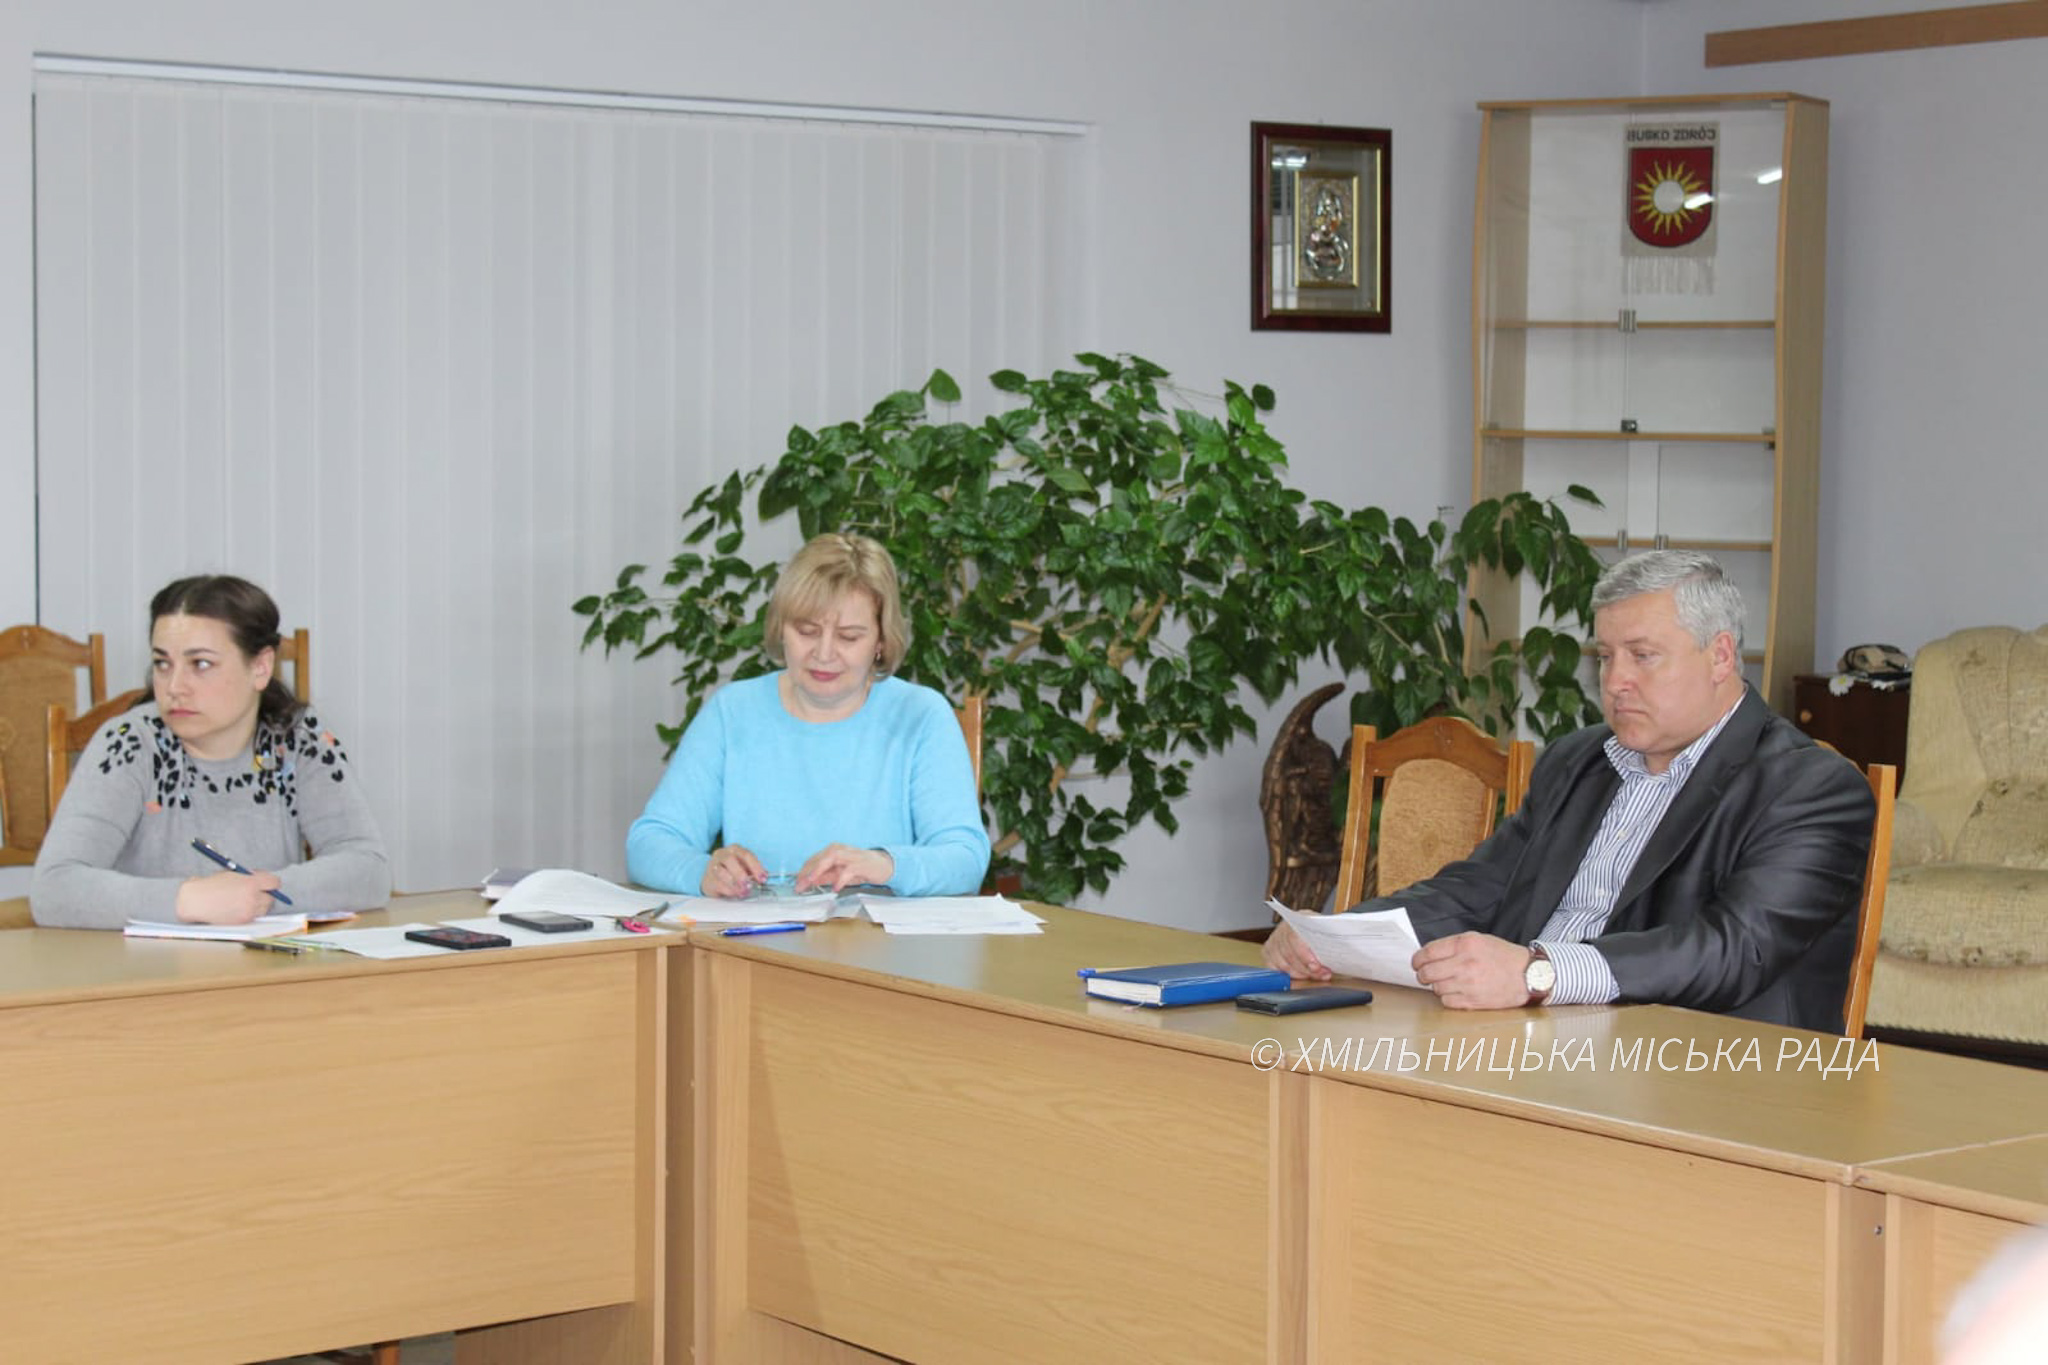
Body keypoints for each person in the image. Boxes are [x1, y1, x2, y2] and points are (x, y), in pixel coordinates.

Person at [1264, 549, 1876, 1033]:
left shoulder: (1810, 788)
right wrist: (1337, 935)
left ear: (1719, 657)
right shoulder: (1578, 760)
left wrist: (1539, 974)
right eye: (1605, 657)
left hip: (1704, 1066)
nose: (1616, 681)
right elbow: (1477, 888)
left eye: (1642, 656)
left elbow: (1733, 950)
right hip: (1536, 1036)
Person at [626, 531, 990, 898]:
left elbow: (965, 858)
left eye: (849, 637)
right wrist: (702, 872)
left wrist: (884, 865)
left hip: (878, 936)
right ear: (781, 628)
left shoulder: (920, 716)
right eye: (806, 631)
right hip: (754, 933)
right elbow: (650, 842)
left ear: (881, 642)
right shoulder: (733, 712)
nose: (824, 653)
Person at [31, 575, 391, 929]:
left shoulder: (297, 738)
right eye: (162, 663)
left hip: (266, 959)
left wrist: (258, 895)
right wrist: (186, 900)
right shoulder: (128, 742)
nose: (174, 687)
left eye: (200, 664)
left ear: (261, 667)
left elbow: (369, 869)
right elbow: (54, 888)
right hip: (145, 962)